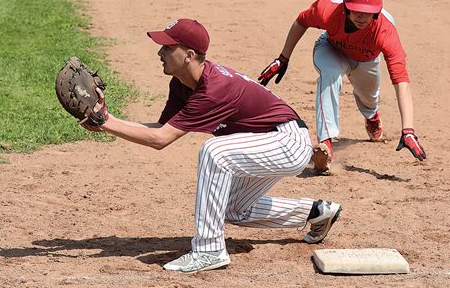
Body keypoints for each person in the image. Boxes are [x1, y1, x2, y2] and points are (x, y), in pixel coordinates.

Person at [84, 18, 343, 273]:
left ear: (189, 54)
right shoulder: (182, 84)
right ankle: (317, 212)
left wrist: (105, 123)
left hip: (287, 142)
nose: (160, 52)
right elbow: (160, 130)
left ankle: (209, 250)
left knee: (214, 153)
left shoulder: (213, 89)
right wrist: (107, 118)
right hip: (269, 140)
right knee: (234, 210)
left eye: (167, 47)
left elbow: (160, 141)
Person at [259, 0, 426, 174]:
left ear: (377, 12)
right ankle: (326, 144)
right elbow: (301, 21)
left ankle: (372, 115)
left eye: (368, 13)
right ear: (347, 7)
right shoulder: (327, 10)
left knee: (369, 97)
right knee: (329, 74)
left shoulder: (385, 32)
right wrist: (283, 58)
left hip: (367, 59)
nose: (362, 17)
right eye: (357, 10)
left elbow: (401, 82)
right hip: (331, 48)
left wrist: (408, 129)